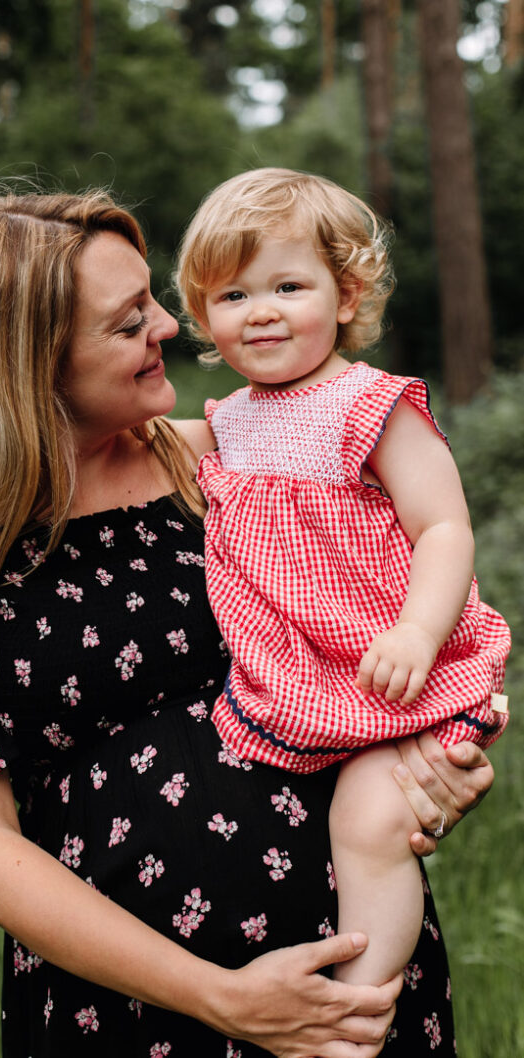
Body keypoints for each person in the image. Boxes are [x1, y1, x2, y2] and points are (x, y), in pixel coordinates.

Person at [0, 188, 495, 1057]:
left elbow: (402, 596)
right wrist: (219, 997)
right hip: (131, 1008)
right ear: (25, 360)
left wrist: (429, 760)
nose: (164, 327)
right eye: (125, 322)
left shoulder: (227, 461)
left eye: (152, 298)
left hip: (347, 986)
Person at [175, 166, 510, 990]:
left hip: (395, 666)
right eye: (230, 296)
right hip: (301, 676)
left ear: (347, 294)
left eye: (287, 285)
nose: (260, 311)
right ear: (202, 318)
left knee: (371, 822)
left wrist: (417, 631)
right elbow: (136, 445)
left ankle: (358, 1012)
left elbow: (442, 526)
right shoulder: (229, 418)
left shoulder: (371, 404)